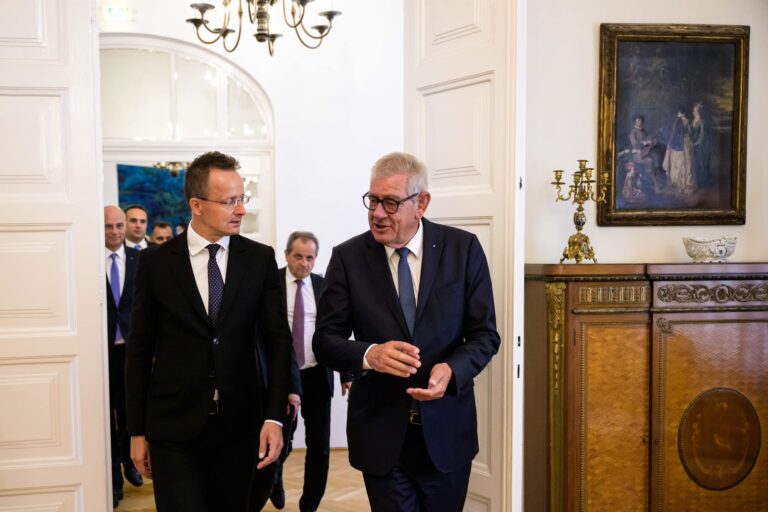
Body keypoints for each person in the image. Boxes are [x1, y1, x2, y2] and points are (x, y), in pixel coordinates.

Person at [313, 152, 501, 511]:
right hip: (380, 437)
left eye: (391, 202)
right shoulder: (348, 258)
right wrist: (369, 355)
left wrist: (452, 369)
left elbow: (485, 335)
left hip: (447, 433)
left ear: (422, 203)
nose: (377, 213)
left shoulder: (463, 249)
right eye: (372, 200)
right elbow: (324, 341)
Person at [125, 151, 292, 512]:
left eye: (242, 198)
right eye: (230, 201)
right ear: (197, 205)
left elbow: (279, 342)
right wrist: (136, 431)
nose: (241, 209)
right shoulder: (155, 263)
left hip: (242, 425)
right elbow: (138, 350)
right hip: (174, 428)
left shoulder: (260, 259)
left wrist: (274, 416)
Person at [267, 231, 353, 512]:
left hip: (316, 374)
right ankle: (274, 481)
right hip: (280, 377)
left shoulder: (323, 285)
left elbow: (337, 331)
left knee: (320, 447)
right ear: (286, 255)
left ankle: (310, 504)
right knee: (281, 440)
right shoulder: (271, 284)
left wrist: (347, 373)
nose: (303, 263)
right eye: (298, 256)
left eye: (310, 258)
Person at [103, 205, 143, 508]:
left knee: (131, 412)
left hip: (132, 351)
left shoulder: (139, 259)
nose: (115, 231)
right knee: (107, 418)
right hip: (101, 353)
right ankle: (114, 481)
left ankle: (130, 462)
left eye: (119, 225)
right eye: (108, 226)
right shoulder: (88, 260)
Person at [663, 107, 697, 194]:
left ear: (679, 113)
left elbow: (675, 133)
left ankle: (681, 185)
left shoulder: (678, 120)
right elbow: (689, 132)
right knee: (688, 164)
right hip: (687, 143)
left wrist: (670, 143)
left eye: (678, 113)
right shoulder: (687, 120)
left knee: (679, 164)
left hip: (679, 143)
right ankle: (687, 184)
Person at [691, 101, 711, 187]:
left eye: (696, 111)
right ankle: (697, 182)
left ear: (699, 112)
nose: (694, 112)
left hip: (701, 145)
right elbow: (691, 132)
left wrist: (695, 144)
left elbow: (702, 135)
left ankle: (703, 183)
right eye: (693, 111)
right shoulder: (693, 121)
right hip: (694, 144)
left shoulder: (702, 122)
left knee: (701, 163)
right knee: (695, 163)